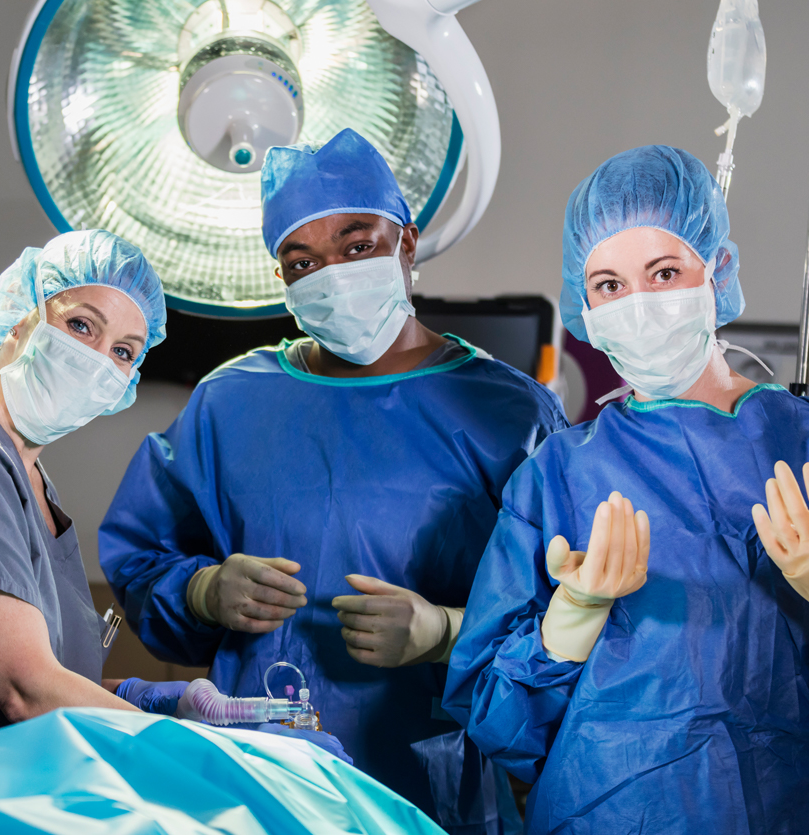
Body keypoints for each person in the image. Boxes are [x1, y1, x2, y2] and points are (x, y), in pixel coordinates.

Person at [98, 128, 568, 833]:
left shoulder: (507, 413)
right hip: (256, 779)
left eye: (356, 246)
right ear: (282, 280)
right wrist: (202, 588)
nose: (332, 274)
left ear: (407, 244)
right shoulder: (231, 401)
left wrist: (444, 631)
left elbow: (567, 613)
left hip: (431, 784)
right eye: (301, 260)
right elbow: (141, 558)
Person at [443, 145, 809, 833]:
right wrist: (568, 618)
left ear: (715, 271)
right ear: (582, 303)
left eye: (663, 272)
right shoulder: (556, 477)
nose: (639, 305)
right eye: (607, 285)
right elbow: (496, 721)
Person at [0, 231, 346, 768]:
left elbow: (37, 671)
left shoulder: (28, 476)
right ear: (18, 317)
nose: (97, 360)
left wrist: (144, 697)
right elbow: (26, 688)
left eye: (123, 352)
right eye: (81, 325)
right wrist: (216, 753)